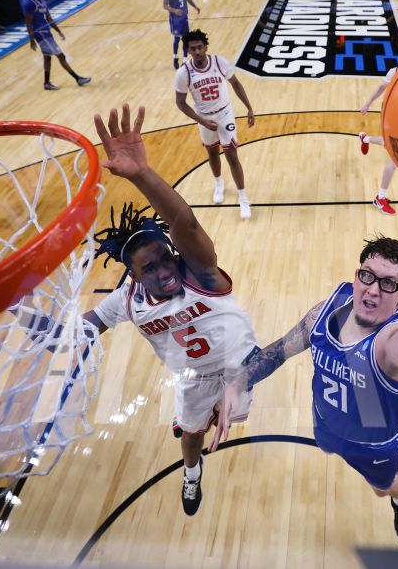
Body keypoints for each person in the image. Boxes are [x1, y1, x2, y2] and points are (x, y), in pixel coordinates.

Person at [213, 207, 398, 545]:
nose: (373, 290)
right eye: (368, 276)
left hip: (372, 444)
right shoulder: (326, 309)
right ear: (357, 276)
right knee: (328, 446)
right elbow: (281, 349)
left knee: (382, 488)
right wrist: (238, 382)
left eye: (389, 284)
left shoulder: (391, 345)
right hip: (326, 421)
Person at [83, 104, 260, 516]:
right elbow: (84, 328)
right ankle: (191, 473)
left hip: (240, 368)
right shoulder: (127, 299)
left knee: (233, 420)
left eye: (166, 257)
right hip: (193, 380)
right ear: (132, 275)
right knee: (193, 436)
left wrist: (142, 174)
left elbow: (187, 224)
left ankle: (202, 424)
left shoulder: (199, 272)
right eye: (150, 268)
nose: (165, 271)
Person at [174, 29, 255, 219]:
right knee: (212, 152)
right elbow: (180, 103)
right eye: (193, 49)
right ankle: (218, 183)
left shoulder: (220, 63)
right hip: (204, 118)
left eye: (200, 47)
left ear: (206, 47)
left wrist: (249, 108)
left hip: (225, 114)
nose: (197, 51)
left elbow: (236, 84)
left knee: (232, 156)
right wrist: (202, 121)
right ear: (188, 51)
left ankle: (243, 198)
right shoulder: (183, 73)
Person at [357, 43, 398, 216]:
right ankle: (380, 197)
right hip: (393, 118)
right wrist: (367, 103)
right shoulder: (395, 71)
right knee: (396, 158)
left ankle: (365, 139)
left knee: (387, 144)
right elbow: (380, 88)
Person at [23, 0, 90, 91]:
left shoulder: (42, 1)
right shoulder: (29, 4)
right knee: (61, 56)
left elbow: (49, 18)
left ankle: (46, 83)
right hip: (40, 34)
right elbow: (28, 23)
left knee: (47, 58)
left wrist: (58, 31)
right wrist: (32, 40)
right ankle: (78, 78)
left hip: (47, 32)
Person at [163, 0, 199, 69]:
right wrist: (174, 10)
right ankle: (175, 57)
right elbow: (165, 5)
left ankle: (185, 60)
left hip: (184, 18)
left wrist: (195, 7)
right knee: (177, 39)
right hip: (175, 19)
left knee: (185, 39)